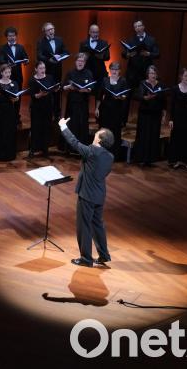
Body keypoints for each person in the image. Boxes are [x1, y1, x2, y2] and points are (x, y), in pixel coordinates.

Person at [57, 117, 114, 268]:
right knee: (97, 225)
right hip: (99, 195)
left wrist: (63, 126)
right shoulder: (109, 157)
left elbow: (74, 143)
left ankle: (86, 259)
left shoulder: (92, 153)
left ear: (100, 141)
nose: (94, 136)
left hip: (87, 196)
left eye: (96, 135)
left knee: (84, 226)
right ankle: (103, 255)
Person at [121, 20, 160, 124]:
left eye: (139, 26)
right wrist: (128, 55)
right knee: (127, 96)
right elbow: (124, 54)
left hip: (145, 73)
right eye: (136, 26)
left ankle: (144, 121)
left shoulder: (151, 39)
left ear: (143, 26)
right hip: (132, 73)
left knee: (146, 96)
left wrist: (148, 53)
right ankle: (122, 121)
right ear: (134, 29)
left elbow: (157, 53)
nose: (138, 28)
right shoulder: (131, 40)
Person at [133, 65, 168, 166]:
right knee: (144, 135)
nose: (153, 75)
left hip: (156, 114)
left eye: (154, 73)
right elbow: (137, 96)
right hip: (145, 113)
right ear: (147, 74)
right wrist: (145, 98)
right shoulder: (143, 83)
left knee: (153, 135)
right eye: (151, 73)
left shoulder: (160, 85)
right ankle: (141, 158)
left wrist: (164, 113)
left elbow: (164, 100)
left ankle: (151, 159)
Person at [95, 62, 129, 159]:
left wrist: (120, 97)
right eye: (112, 69)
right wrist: (97, 108)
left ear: (120, 71)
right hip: (105, 109)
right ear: (110, 70)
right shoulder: (105, 80)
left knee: (115, 131)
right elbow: (99, 95)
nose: (114, 71)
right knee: (103, 131)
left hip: (117, 109)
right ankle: (100, 152)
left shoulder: (123, 81)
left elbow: (125, 95)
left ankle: (113, 154)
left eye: (116, 69)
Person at [36, 22, 69, 120]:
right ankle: (48, 112)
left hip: (58, 69)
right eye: (48, 30)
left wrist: (61, 56)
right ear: (45, 32)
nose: (51, 31)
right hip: (47, 70)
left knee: (57, 90)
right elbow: (39, 55)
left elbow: (66, 51)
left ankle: (57, 112)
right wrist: (48, 60)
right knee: (48, 91)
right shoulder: (41, 42)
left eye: (52, 29)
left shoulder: (59, 40)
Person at [168, 67, 187, 170]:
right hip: (178, 117)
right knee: (177, 138)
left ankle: (186, 161)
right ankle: (175, 160)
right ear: (181, 76)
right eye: (185, 76)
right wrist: (171, 119)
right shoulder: (175, 89)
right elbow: (172, 105)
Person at [61, 53, 94, 149]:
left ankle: (82, 148)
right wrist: (68, 87)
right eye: (79, 61)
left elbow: (91, 88)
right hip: (72, 104)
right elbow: (63, 86)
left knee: (82, 125)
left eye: (82, 61)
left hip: (83, 103)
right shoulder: (70, 73)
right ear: (75, 62)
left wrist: (85, 90)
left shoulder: (88, 73)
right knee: (72, 125)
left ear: (85, 63)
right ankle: (70, 148)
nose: (80, 63)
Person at [0, 27, 29, 125]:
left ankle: (16, 116)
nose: (12, 38)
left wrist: (26, 61)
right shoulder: (3, 48)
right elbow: (1, 60)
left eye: (13, 35)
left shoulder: (20, 47)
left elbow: (25, 58)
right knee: (7, 97)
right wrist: (8, 64)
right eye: (10, 36)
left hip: (18, 76)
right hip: (7, 77)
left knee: (17, 97)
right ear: (7, 37)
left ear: (16, 36)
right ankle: (8, 116)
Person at [29, 61, 59, 157]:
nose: (43, 70)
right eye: (41, 68)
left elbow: (54, 88)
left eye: (44, 68)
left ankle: (45, 149)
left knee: (46, 127)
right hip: (36, 107)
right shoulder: (32, 80)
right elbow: (33, 96)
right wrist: (40, 94)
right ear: (36, 69)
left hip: (47, 106)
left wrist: (55, 89)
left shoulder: (49, 77)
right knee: (35, 127)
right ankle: (33, 149)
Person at [78, 25, 110, 92]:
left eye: (97, 32)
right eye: (93, 32)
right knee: (86, 93)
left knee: (99, 94)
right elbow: (80, 57)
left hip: (100, 73)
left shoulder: (104, 43)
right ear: (89, 32)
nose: (95, 34)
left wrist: (102, 57)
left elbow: (108, 57)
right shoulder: (83, 43)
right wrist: (84, 56)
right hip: (87, 72)